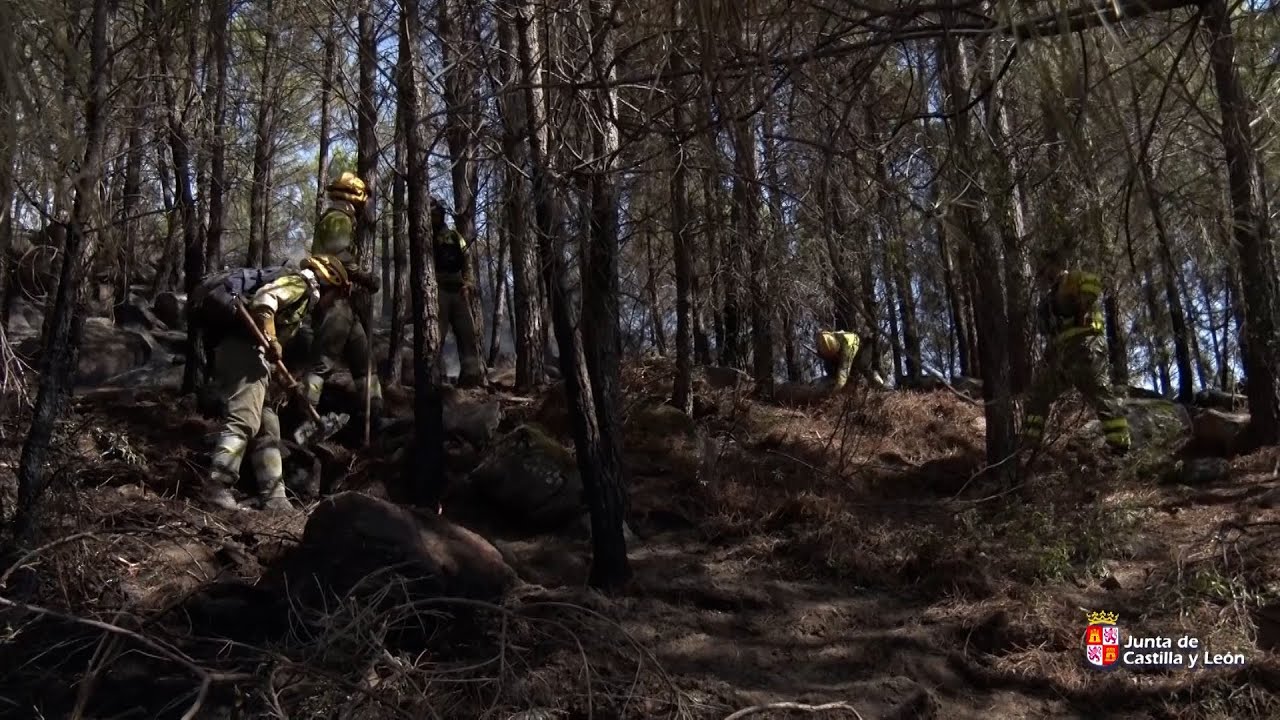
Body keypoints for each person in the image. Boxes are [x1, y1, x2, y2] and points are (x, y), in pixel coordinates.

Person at [201, 254, 351, 511]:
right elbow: (264, 300)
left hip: (253, 355)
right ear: (328, 284)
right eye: (335, 296)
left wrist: (285, 380)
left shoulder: (303, 299)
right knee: (244, 420)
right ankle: (218, 486)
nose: (331, 304)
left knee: (268, 427)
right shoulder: (300, 284)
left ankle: (275, 498)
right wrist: (271, 340)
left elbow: (275, 346)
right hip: (243, 349)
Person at [1021, 248, 1131, 457]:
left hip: (1085, 346)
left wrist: (1082, 303)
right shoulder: (1048, 298)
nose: (1043, 274)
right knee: (1037, 395)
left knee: (1100, 394)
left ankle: (1120, 446)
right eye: (1041, 270)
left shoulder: (1072, 279)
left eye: (1045, 268)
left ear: (1055, 265)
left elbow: (1093, 284)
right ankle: (1029, 445)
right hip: (1058, 353)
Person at [303, 171, 385, 429]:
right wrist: (367, 278)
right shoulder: (339, 217)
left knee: (364, 361)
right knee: (323, 362)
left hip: (343, 304)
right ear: (356, 197)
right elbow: (341, 258)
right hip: (333, 304)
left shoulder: (340, 217)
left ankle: (374, 416)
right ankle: (307, 417)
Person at [432, 197, 486, 387]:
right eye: (433, 214)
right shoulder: (423, 237)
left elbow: (467, 261)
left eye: (438, 214)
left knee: (467, 334)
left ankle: (471, 377)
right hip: (438, 292)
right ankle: (435, 377)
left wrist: (469, 283)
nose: (435, 217)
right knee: (436, 337)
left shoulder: (455, 236)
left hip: (459, 291)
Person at [815, 329, 886, 391]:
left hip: (862, 347)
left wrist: (835, 391)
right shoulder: (829, 338)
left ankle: (881, 386)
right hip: (847, 350)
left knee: (864, 366)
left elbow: (843, 374)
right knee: (829, 367)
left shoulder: (847, 349)